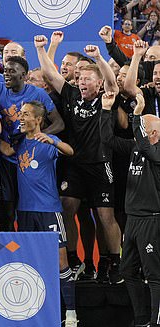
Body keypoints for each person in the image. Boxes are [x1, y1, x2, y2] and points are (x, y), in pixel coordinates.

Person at [36, 34, 124, 285]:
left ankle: (113, 263)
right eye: (79, 78)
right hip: (74, 164)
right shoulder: (72, 93)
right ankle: (74, 259)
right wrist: (41, 49)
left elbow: (111, 81)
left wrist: (97, 57)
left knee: (105, 216)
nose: (81, 82)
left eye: (87, 79)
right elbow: (51, 75)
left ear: (97, 83)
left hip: (100, 164)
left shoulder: (106, 95)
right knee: (66, 207)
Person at [0, 101, 77, 326]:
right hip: (24, 212)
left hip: (49, 210)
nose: (20, 118)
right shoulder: (21, 142)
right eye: (20, 114)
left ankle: (70, 312)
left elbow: (70, 151)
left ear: (38, 120)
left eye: (25, 114)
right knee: (28, 262)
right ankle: (34, 310)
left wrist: (53, 140)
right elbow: (7, 150)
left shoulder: (48, 142)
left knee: (61, 261)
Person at [101, 91, 160, 327]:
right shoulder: (137, 147)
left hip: (152, 220)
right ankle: (141, 319)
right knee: (128, 271)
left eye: (142, 129)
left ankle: (155, 322)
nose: (137, 133)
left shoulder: (156, 151)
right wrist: (106, 111)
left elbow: (148, 149)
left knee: (155, 275)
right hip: (133, 219)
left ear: (153, 133)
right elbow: (107, 140)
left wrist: (137, 115)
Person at [0, 55, 63, 232]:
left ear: (24, 75)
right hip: (7, 159)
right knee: (7, 213)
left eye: (12, 71)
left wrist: (34, 138)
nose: (7, 75)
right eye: (5, 71)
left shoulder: (37, 94)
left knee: (31, 209)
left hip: (30, 159)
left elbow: (59, 123)